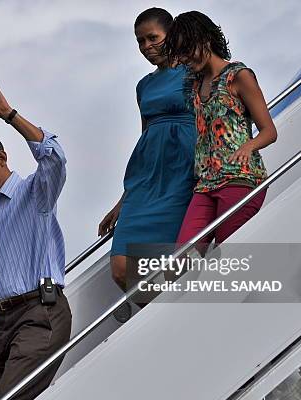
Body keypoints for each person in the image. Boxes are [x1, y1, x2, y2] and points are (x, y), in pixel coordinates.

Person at [0, 78, 72, 400]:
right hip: (2, 326)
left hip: (40, 311)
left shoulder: (34, 193)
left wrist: (9, 115)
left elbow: (54, 157)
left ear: (1, 157)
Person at [98, 8, 197, 290]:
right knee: (121, 267)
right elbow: (146, 138)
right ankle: (164, 320)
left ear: (172, 34)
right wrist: (123, 200)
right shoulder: (144, 85)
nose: (146, 47)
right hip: (146, 180)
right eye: (140, 41)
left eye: (152, 38)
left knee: (170, 263)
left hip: (183, 173)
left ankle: (170, 323)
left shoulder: (195, 72)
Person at [165, 11, 277, 252]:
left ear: (205, 39)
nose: (184, 58)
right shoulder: (193, 86)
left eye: (187, 49)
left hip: (240, 178)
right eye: (179, 53)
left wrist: (248, 146)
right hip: (206, 183)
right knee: (182, 256)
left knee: (227, 257)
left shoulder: (239, 76)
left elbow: (269, 131)